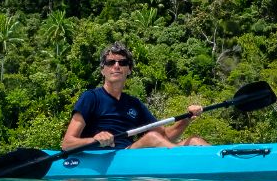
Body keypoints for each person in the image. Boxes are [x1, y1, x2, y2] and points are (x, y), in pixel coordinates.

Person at [61, 43, 209, 151]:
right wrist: (95, 140)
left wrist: (187, 118)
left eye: (122, 63)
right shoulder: (90, 98)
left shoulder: (134, 104)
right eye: (111, 62)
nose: (116, 66)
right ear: (102, 70)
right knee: (152, 138)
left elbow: (164, 137)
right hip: (105, 157)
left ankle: (225, 165)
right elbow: (67, 144)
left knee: (195, 140)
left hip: (128, 155)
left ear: (129, 70)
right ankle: (184, 163)